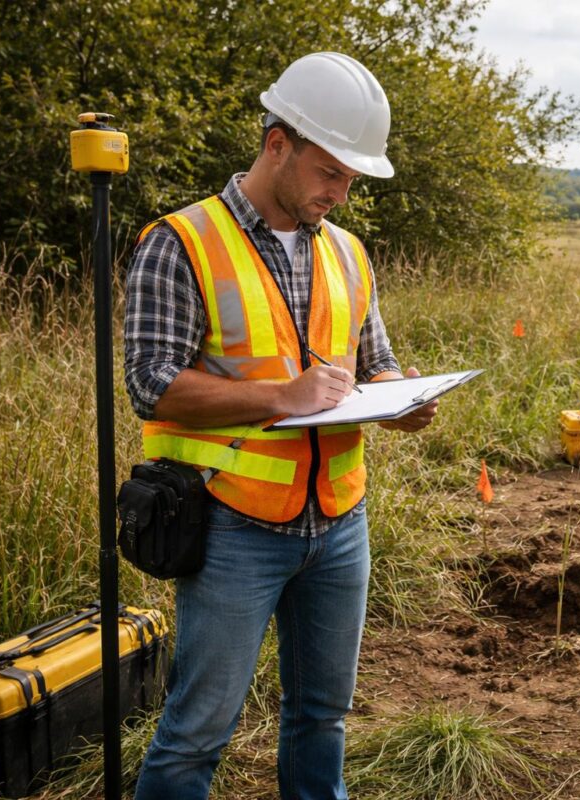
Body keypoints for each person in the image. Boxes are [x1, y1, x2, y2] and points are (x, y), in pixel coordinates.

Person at [123, 52, 437, 800]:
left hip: (338, 520)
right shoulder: (180, 242)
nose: (341, 193)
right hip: (233, 522)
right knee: (198, 730)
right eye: (330, 173)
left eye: (352, 180)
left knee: (322, 717)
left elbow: (375, 361)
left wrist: (402, 399)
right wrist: (278, 398)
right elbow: (150, 384)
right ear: (277, 145)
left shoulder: (349, 254)